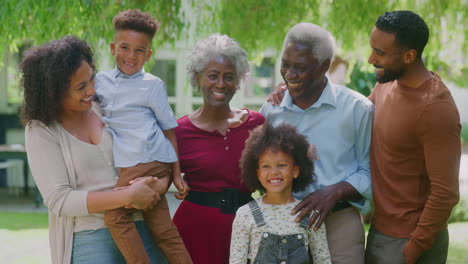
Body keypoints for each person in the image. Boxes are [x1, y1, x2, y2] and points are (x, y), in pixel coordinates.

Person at [22, 36, 165, 264]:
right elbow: (59, 199)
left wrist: (155, 186)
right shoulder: (41, 130)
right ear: (53, 93)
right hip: (89, 233)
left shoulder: (108, 105)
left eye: (92, 79)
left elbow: (153, 149)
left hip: (140, 224)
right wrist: (127, 196)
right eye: (81, 87)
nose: (92, 90)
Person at [261, 22, 374, 263]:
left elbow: (371, 169)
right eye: (286, 65)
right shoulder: (272, 110)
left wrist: (335, 191)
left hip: (339, 224)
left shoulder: (357, 109)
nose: (290, 75)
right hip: (284, 221)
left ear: (324, 66)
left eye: (300, 67)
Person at [95, 9, 191, 264]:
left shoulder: (153, 85)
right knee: (163, 232)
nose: (131, 56)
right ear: (113, 47)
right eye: (124, 47)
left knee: (115, 217)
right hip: (138, 163)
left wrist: (176, 174)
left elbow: (169, 130)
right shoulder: (99, 82)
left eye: (139, 50)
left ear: (148, 54)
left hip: (145, 158)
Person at [365, 11, 461, 264]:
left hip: (408, 241)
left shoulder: (435, 109)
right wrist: (296, 89)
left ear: (409, 56)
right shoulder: (385, 83)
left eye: (380, 53)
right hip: (380, 230)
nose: (370, 59)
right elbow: (355, 116)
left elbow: (446, 192)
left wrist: (415, 247)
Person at [172, 34, 266, 264]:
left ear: (238, 81)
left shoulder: (257, 123)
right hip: (194, 231)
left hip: (247, 228)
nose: (221, 84)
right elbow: (161, 178)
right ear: (198, 77)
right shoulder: (180, 131)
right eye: (213, 76)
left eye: (229, 77)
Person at [230, 123, 331, 264]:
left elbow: (323, 260)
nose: (274, 172)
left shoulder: (310, 214)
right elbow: (236, 261)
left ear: (295, 171)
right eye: (266, 166)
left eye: (282, 165)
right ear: (257, 173)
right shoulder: (245, 214)